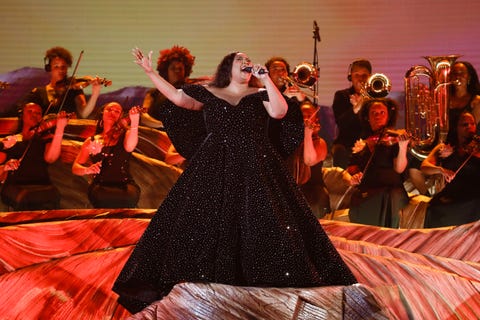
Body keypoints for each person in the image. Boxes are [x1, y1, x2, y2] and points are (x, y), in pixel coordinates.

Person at [112, 48, 357, 314]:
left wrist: (266, 80)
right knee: (199, 217)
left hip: (256, 164)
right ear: (227, 66)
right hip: (215, 163)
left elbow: (279, 112)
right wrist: (149, 72)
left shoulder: (260, 93)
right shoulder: (210, 92)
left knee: (265, 219)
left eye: (249, 61)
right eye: (241, 60)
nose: (247, 63)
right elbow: (178, 98)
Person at [345, 98, 410, 228]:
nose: (378, 116)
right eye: (374, 113)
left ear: (388, 116)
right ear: (367, 117)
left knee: (388, 197)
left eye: (382, 113)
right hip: (367, 191)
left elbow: (399, 169)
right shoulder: (363, 143)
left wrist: (403, 147)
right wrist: (351, 179)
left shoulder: (394, 139)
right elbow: (349, 171)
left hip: (390, 190)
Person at [141, 45, 208, 164]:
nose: (177, 71)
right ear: (165, 70)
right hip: (160, 136)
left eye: (180, 68)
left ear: (186, 70)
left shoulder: (193, 88)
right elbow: (144, 117)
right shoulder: (153, 93)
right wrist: (166, 124)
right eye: (173, 68)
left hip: (188, 137)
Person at [72, 102, 141, 208]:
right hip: (100, 187)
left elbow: (130, 147)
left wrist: (135, 122)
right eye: (109, 109)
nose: (112, 112)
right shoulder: (91, 140)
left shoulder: (125, 135)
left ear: (120, 117)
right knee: (101, 196)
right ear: (102, 113)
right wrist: (88, 170)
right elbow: (75, 168)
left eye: (117, 111)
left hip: (125, 186)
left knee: (129, 196)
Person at [0, 102, 67, 211]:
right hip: (14, 186)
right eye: (30, 111)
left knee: (53, 194)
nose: (34, 115)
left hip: (42, 184)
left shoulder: (46, 138)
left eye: (38, 113)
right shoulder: (11, 141)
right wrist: (5, 167)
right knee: (25, 197)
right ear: (22, 116)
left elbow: (50, 158)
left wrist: (60, 129)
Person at [421, 111, 480, 228]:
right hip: (453, 193)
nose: (470, 127)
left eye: (472, 123)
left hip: (476, 193)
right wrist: (441, 170)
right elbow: (424, 167)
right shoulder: (445, 147)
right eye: (464, 124)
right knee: (436, 209)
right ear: (455, 128)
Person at [18, 46, 105, 119]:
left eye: (63, 67)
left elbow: (84, 113)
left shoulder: (74, 89)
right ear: (49, 68)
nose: (60, 70)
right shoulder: (38, 93)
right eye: (56, 66)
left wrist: (95, 93)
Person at [331, 59, 372, 169]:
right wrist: (356, 108)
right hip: (347, 144)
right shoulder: (341, 95)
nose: (361, 79)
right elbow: (342, 124)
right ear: (351, 77)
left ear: (370, 77)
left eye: (364, 75)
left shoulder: (376, 97)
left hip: (371, 143)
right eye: (356, 75)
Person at [448, 61, 480, 137]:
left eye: (461, 73)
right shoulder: (444, 100)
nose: (457, 76)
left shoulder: (476, 101)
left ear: (469, 77)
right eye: (454, 73)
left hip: (466, 145)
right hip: (445, 145)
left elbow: (471, 129)